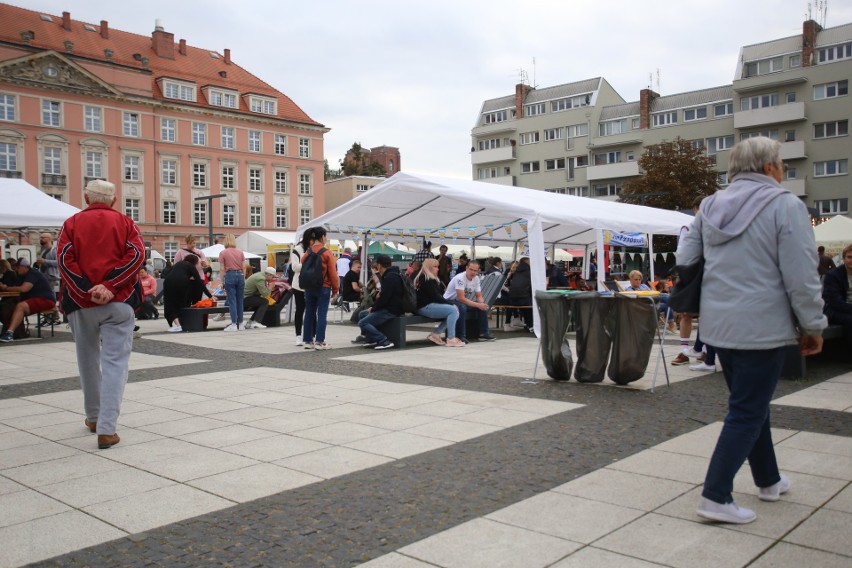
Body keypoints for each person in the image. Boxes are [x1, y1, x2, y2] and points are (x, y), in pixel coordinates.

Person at [678, 137, 825, 524]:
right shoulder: (785, 205)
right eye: (781, 164)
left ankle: (769, 480)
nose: (783, 170)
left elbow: (686, 259)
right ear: (768, 167)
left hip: (719, 326)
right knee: (747, 410)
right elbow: (802, 274)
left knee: (750, 406)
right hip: (764, 325)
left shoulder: (708, 207)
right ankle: (715, 496)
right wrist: (812, 325)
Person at [55, 179, 145, 450]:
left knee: (87, 359)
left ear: (85, 197)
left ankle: (93, 417)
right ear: (114, 201)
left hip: (80, 303)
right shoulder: (126, 223)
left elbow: (64, 260)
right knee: (116, 362)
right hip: (119, 302)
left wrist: (85, 290)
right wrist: (109, 285)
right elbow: (136, 256)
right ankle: (107, 429)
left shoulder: (70, 224)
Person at [672, 197, 705, 366]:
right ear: (695, 209)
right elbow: (682, 254)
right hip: (691, 274)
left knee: (707, 314)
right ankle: (684, 351)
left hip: (708, 274)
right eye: (700, 208)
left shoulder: (714, 227)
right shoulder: (688, 228)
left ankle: (704, 350)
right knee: (686, 313)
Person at [352, 254, 402, 349]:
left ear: (379, 266)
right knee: (362, 314)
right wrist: (374, 307)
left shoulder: (390, 277)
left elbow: (384, 299)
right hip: (390, 307)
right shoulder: (392, 275)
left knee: (362, 322)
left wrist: (374, 308)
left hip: (391, 310)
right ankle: (371, 339)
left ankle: (383, 340)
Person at [0, 258, 56, 342]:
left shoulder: (33, 273)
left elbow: (24, 289)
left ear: (25, 267)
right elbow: (17, 287)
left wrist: (6, 288)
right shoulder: (22, 275)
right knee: (9, 307)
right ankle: (16, 332)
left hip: (46, 300)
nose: (16, 269)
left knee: (20, 306)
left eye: (18, 267)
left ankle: (9, 333)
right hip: (35, 299)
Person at [301, 226, 339, 349]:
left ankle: (307, 341)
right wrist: (335, 290)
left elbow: (303, 263)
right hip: (324, 287)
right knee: (322, 314)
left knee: (309, 313)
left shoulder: (308, 252)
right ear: (322, 237)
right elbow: (333, 273)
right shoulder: (326, 252)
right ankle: (319, 341)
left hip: (309, 287)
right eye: (326, 236)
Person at [444, 260, 496, 342]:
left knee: (481, 308)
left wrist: (482, 304)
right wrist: (478, 305)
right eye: (471, 269)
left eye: (475, 270)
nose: (472, 272)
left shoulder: (476, 279)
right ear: (466, 268)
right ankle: (461, 336)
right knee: (462, 307)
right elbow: (460, 298)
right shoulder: (460, 278)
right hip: (449, 301)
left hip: (461, 301)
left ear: (478, 271)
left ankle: (483, 334)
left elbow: (479, 295)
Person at [415, 258, 463, 347]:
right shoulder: (427, 279)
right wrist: (451, 304)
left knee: (453, 312)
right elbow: (437, 297)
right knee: (453, 311)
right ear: (429, 268)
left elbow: (438, 296)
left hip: (424, 306)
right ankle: (451, 338)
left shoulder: (425, 278)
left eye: (438, 267)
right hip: (425, 307)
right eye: (435, 267)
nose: (437, 269)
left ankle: (436, 334)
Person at [162, 254, 211, 332]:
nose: (198, 264)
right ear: (194, 262)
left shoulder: (178, 264)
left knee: (169, 303)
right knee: (181, 303)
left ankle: (176, 324)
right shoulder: (191, 266)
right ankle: (182, 324)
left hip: (168, 282)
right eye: (198, 262)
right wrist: (210, 296)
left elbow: (168, 273)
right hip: (182, 282)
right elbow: (199, 282)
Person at [821, 243, 852, 349]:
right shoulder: (833, 275)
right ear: (843, 258)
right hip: (834, 310)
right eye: (849, 257)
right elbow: (834, 301)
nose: (851, 260)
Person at [217, 234, 245, 332]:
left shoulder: (223, 253)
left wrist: (221, 281)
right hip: (240, 275)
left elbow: (221, 269)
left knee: (232, 300)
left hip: (230, 275)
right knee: (240, 300)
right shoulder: (240, 252)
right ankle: (241, 324)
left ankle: (233, 324)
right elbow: (244, 266)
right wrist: (243, 277)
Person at [507, 257, 533, 332]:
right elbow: (531, 287)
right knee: (533, 304)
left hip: (513, 300)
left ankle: (528, 325)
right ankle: (531, 325)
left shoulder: (516, 272)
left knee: (526, 304)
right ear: (527, 262)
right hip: (523, 300)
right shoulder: (529, 272)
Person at [289, 242, 307, 346]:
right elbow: (294, 267)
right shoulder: (297, 249)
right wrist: (307, 264)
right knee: (300, 310)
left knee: (312, 311)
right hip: (299, 285)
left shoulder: (315, 249)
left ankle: (310, 335)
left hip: (311, 285)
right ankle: (298, 335)